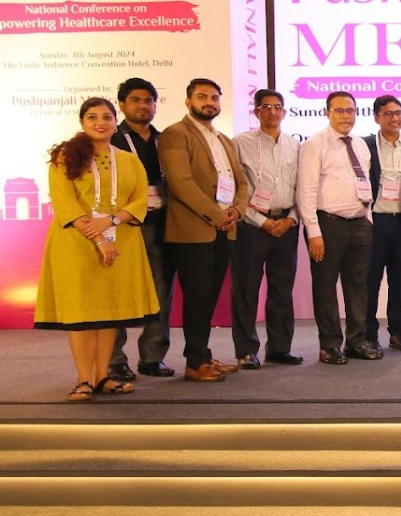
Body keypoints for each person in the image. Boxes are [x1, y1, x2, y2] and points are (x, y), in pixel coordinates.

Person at [35, 98, 159, 400]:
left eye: (106, 117)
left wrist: (111, 221)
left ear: (116, 122)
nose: (100, 122)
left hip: (122, 242)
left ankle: (103, 376)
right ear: (82, 122)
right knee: (81, 315)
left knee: (109, 313)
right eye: (92, 117)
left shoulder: (129, 160)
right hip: (77, 245)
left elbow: (140, 200)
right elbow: (65, 202)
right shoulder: (66, 157)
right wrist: (100, 238)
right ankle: (84, 379)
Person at [157, 78, 249, 382]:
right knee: (197, 298)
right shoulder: (175, 134)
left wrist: (237, 210)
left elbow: (242, 182)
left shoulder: (224, 139)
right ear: (189, 102)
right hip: (193, 230)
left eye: (214, 97)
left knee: (208, 297)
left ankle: (204, 355)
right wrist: (216, 214)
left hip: (225, 228)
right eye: (202, 97)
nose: (209, 102)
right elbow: (181, 183)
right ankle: (194, 362)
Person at [296, 91, 383, 366]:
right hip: (328, 224)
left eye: (351, 110)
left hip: (359, 223)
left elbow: (365, 183)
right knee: (325, 286)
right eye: (340, 110)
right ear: (327, 113)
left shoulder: (360, 144)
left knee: (358, 286)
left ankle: (356, 341)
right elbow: (306, 191)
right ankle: (330, 345)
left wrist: (367, 217)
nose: (346, 116)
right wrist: (313, 232)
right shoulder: (315, 144)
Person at [108, 77, 175, 380]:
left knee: (161, 289)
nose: (143, 106)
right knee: (118, 291)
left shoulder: (166, 139)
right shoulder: (111, 140)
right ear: (122, 105)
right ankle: (114, 360)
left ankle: (152, 356)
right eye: (135, 100)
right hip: (123, 225)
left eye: (148, 100)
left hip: (162, 222)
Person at [230, 88, 302, 369]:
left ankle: (279, 348)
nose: (272, 112)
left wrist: (292, 218)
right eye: (266, 107)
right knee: (246, 289)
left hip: (286, 224)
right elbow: (235, 189)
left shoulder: (295, 145)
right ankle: (246, 349)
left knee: (282, 290)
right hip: (251, 225)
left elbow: (302, 187)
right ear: (256, 111)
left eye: (277, 107)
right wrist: (261, 221)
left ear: (284, 112)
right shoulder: (240, 143)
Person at [364, 94, 401, 352]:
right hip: (375, 221)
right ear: (377, 117)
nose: (394, 118)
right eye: (388, 113)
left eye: (398, 113)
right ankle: (368, 334)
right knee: (371, 280)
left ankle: (398, 332)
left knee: (399, 280)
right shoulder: (365, 145)